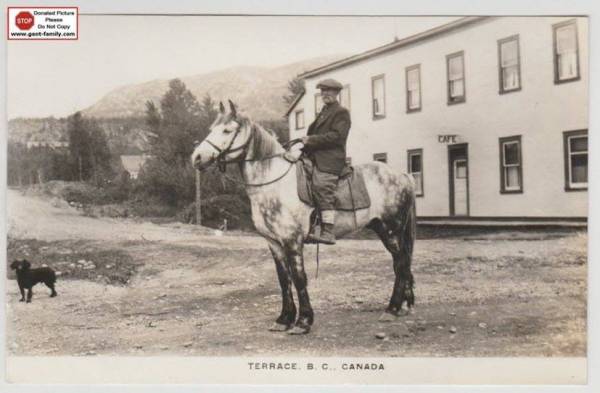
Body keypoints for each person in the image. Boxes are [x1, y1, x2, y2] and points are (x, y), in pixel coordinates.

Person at [301, 78, 351, 245]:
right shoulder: (324, 112)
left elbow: (337, 137)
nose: (325, 94)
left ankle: (328, 230)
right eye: (323, 91)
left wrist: (311, 140)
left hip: (331, 158)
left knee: (321, 185)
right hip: (315, 156)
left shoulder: (341, 112)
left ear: (337, 93)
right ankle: (307, 225)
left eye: (329, 91)